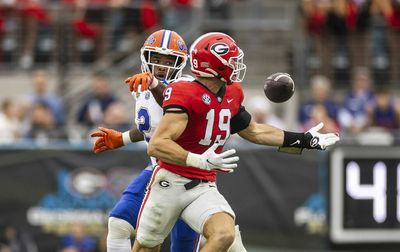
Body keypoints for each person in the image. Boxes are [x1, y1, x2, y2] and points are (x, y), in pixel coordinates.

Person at [130, 32, 339, 252]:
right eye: (231, 60)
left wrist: (304, 140)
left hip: (203, 185)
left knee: (224, 235)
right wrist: (199, 160)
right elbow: (158, 145)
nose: (236, 65)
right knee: (146, 248)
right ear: (213, 64)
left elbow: (254, 131)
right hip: (169, 183)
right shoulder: (184, 92)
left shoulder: (231, 92)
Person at [90, 30, 200, 252]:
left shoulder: (189, 86)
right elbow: (154, 127)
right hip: (157, 170)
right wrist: (123, 138)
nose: (160, 66)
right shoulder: (142, 88)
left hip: (190, 177)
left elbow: (171, 101)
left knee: (182, 247)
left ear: (180, 62)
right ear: (145, 57)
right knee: (119, 223)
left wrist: (153, 84)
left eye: (168, 61)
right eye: (156, 59)